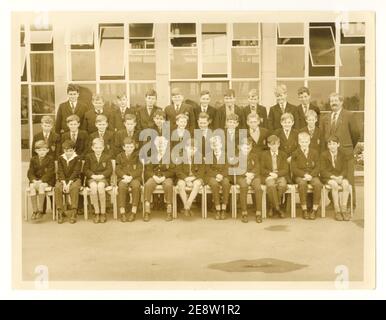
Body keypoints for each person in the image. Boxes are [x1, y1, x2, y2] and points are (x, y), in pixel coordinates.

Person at [320, 92, 363, 207]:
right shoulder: (325, 118)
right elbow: (323, 135)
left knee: (348, 180)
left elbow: (356, 134)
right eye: (331, 101)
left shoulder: (349, 115)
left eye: (336, 100)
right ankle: (334, 202)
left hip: (346, 154)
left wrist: (347, 146)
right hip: (330, 154)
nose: (333, 103)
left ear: (341, 102)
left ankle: (350, 205)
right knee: (332, 178)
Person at [291, 132, 323, 220]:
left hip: (312, 175)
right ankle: (304, 209)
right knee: (302, 184)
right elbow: (294, 168)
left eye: (306, 142)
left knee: (318, 184)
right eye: (302, 142)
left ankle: (314, 209)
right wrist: (304, 175)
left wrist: (311, 175)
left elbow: (318, 167)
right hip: (300, 175)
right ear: (299, 142)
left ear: (309, 142)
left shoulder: (314, 152)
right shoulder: (295, 153)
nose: (304, 144)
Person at [143, 136, 175, 222]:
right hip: (154, 177)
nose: (160, 147)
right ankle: (147, 211)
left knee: (168, 185)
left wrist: (164, 176)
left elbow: (173, 171)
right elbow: (147, 171)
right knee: (148, 184)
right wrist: (153, 176)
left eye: (163, 144)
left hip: (166, 177)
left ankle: (169, 211)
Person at [320, 135, 351, 221]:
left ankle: (343, 210)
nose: (332, 146)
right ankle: (337, 210)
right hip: (328, 177)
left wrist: (341, 176)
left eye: (334, 144)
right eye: (329, 144)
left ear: (338, 144)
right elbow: (322, 170)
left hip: (340, 176)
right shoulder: (324, 155)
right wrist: (333, 177)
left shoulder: (343, 154)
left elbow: (345, 169)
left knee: (346, 184)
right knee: (334, 185)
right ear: (327, 146)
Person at [232, 137, 263, 223]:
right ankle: (244, 213)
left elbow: (257, 167)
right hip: (241, 176)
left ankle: (258, 213)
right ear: (240, 147)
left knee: (258, 188)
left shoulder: (254, 156)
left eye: (249, 148)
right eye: (245, 147)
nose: (247, 149)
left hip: (253, 176)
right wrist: (246, 174)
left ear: (251, 147)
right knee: (244, 186)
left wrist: (251, 175)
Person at [84, 138, 113, 224]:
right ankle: (96, 212)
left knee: (100, 187)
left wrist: (101, 175)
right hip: (92, 178)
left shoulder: (107, 157)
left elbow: (109, 169)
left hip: (103, 178)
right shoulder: (88, 156)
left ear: (103, 148)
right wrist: (92, 175)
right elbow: (86, 169)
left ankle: (103, 212)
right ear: (92, 148)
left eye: (100, 148)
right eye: (96, 148)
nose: (98, 150)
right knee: (93, 187)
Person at [260, 135, 289, 218]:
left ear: (279, 144)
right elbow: (262, 169)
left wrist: (277, 174)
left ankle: (272, 207)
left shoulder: (283, 154)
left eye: (276, 144)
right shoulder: (264, 155)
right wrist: (270, 173)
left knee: (283, 185)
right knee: (271, 186)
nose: (274, 146)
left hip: (280, 175)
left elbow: (285, 169)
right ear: (268, 145)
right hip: (269, 176)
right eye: (272, 144)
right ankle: (278, 208)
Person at [204, 136, 231, 220]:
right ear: (211, 146)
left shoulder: (226, 155)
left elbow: (228, 168)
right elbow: (207, 169)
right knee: (214, 184)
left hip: (224, 175)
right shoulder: (208, 156)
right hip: (212, 176)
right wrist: (216, 175)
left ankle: (224, 208)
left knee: (226, 183)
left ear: (221, 145)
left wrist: (221, 175)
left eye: (217, 145)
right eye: (213, 145)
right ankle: (217, 208)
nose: (216, 147)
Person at [55, 140, 82, 224]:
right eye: (66, 151)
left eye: (70, 151)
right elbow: (60, 171)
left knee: (74, 188)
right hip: (63, 179)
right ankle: (60, 211)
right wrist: (63, 182)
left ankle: (74, 212)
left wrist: (69, 183)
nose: (68, 153)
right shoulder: (60, 158)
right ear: (64, 150)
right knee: (57, 188)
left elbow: (76, 171)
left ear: (74, 150)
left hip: (74, 179)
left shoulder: (77, 158)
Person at [116, 137, 142, 222]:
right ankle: (122, 212)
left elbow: (139, 169)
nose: (129, 149)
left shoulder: (138, 156)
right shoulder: (119, 156)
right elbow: (117, 169)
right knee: (122, 186)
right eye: (127, 147)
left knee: (136, 186)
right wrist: (124, 176)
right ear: (123, 147)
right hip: (123, 178)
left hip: (134, 178)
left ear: (134, 147)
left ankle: (133, 211)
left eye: (131, 147)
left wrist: (131, 176)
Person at [27, 140, 55, 220]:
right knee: (32, 187)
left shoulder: (50, 159)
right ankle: (34, 211)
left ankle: (40, 210)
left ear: (47, 150)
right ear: (36, 151)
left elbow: (50, 172)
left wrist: (41, 181)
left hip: (47, 181)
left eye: (43, 150)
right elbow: (30, 172)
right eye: (39, 150)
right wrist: (34, 180)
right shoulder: (33, 159)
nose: (41, 152)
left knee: (41, 187)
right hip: (36, 180)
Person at [175, 140, 204, 216]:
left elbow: (201, 172)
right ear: (186, 148)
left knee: (197, 184)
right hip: (184, 178)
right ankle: (187, 208)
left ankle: (187, 205)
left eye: (194, 149)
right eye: (190, 148)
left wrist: (192, 179)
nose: (192, 151)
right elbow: (178, 171)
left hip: (196, 178)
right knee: (180, 184)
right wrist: (185, 179)